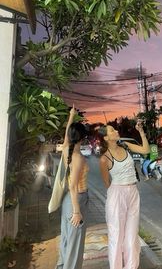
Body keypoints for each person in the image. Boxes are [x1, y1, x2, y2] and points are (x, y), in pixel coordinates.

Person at [99, 120, 150, 269]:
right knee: (116, 237)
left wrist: (141, 132)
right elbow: (107, 183)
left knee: (132, 236)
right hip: (116, 195)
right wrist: (118, 192)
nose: (116, 131)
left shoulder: (126, 146)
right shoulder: (104, 159)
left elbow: (145, 150)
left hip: (133, 192)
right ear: (106, 138)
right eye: (112, 131)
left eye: (115, 129)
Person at [56, 105, 89, 269]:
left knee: (67, 239)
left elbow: (66, 136)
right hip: (76, 200)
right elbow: (74, 186)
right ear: (82, 138)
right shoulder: (78, 157)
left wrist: (71, 116)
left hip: (67, 201)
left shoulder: (67, 149)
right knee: (75, 245)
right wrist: (77, 211)